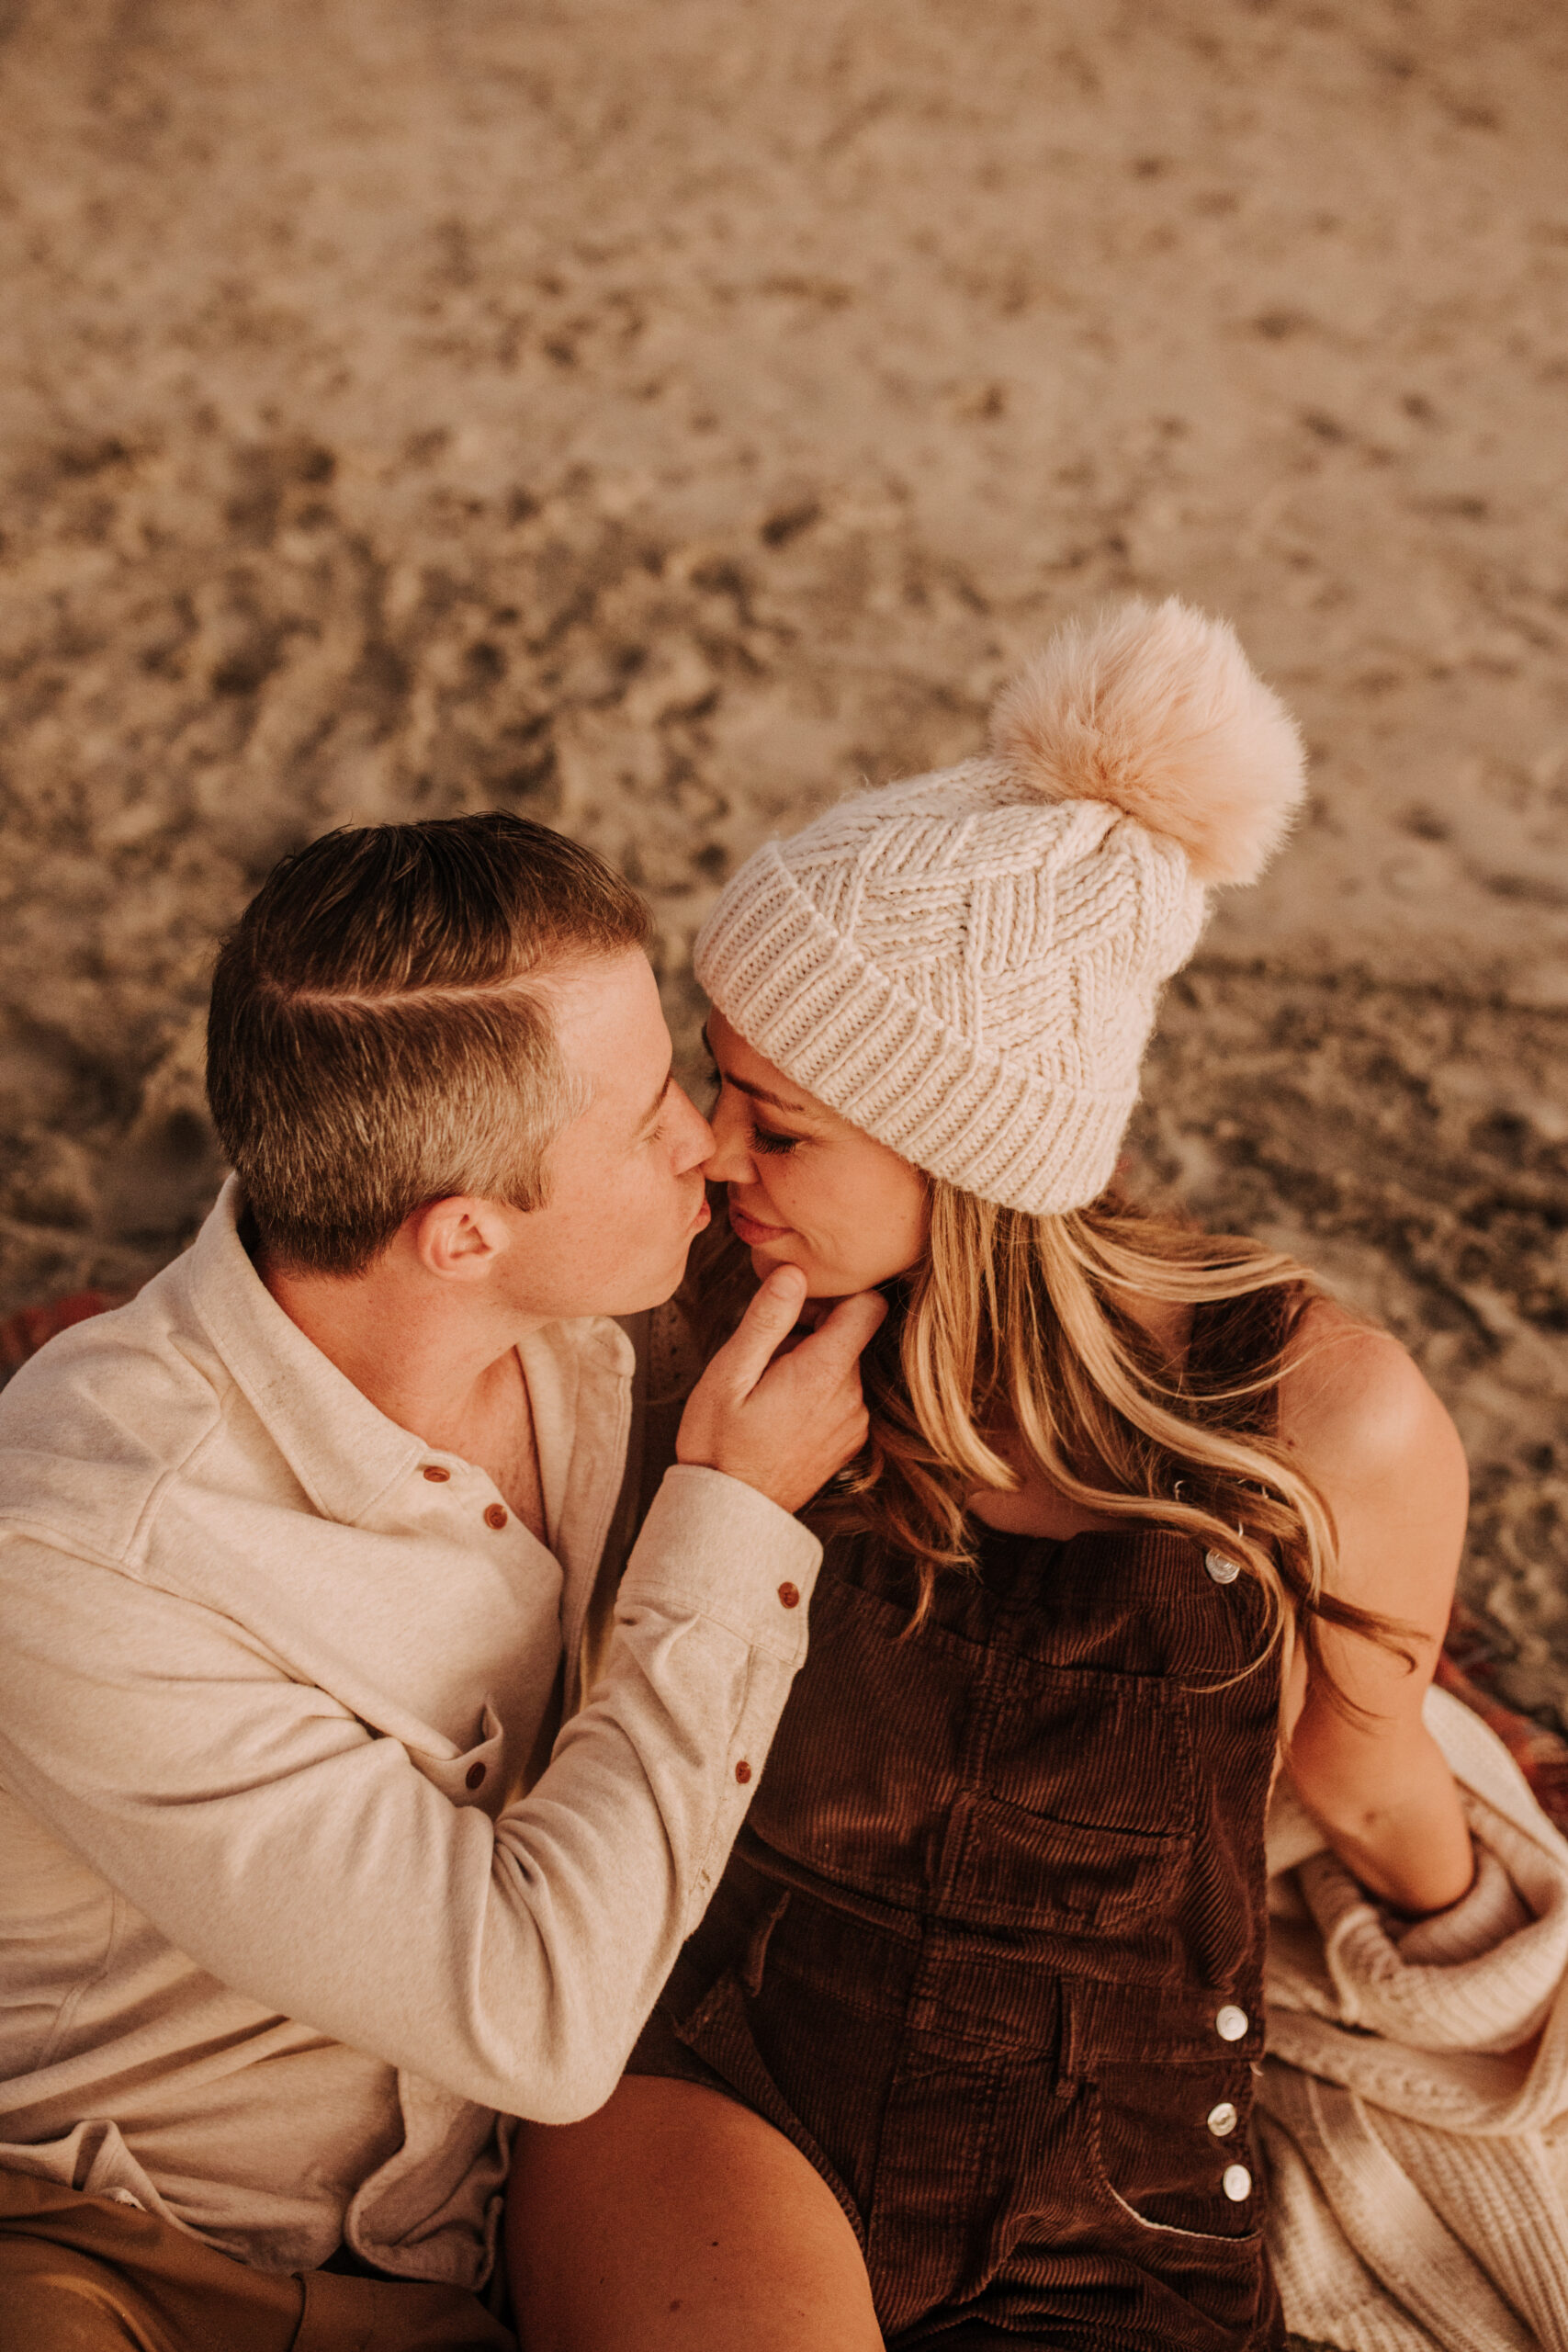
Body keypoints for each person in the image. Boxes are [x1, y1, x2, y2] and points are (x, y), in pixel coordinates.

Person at [507, 600, 1475, 2352]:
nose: (713, 1152)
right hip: (726, 2081)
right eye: (727, 1089)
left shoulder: (1323, 1425)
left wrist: (1489, 1954)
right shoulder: (695, 1321)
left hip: (1125, 2186)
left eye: (777, 1122)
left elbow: (1373, 1769)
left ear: (964, 1157)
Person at [0, 813, 885, 2351]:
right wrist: (728, 1524)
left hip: (471, 2252)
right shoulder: (86, 1551)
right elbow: (537, 2014)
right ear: (463, 1234)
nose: (704, 1145)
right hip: (114, 2254)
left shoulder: (606, 1334)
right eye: (647, 1117)